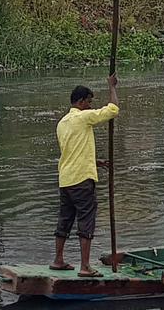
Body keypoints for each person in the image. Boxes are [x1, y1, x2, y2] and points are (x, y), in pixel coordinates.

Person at [51, 74, 119, 277]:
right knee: (86, 220)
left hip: (66, 179)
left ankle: (58, 260)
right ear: (81, 102)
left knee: (65, 219)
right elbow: (113, 109)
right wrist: (112, 87)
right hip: (81, 180)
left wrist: (95, 162)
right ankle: (85, 266)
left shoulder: (63, 123)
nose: (90, 106)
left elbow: (72, 151)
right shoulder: (83, 117)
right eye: (89, 102)